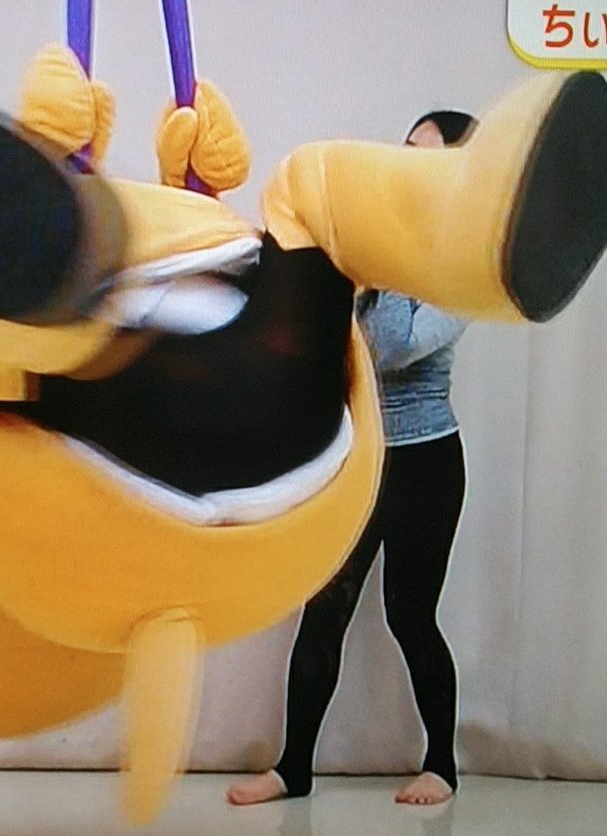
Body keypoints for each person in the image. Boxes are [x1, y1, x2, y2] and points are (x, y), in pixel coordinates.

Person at [227, 110, 476, 807]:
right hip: (359, 464)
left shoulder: (460, 267)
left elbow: (391, 348)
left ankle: (442, 765)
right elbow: (320, 332)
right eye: (406, 150)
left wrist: (381, 265)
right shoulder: (371, 247)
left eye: (428, 157)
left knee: (410, 616)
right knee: (324, 610)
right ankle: (293, 769)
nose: (407, 164)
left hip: (426, 465)